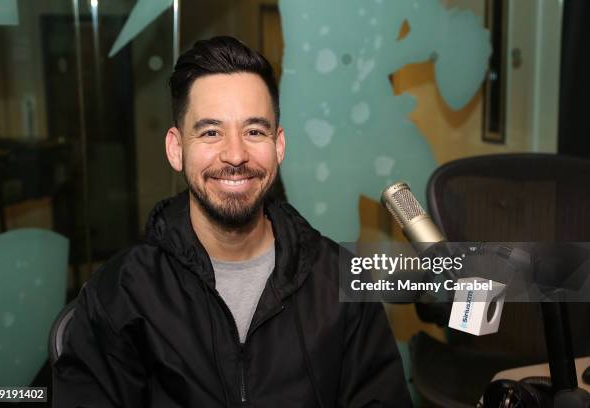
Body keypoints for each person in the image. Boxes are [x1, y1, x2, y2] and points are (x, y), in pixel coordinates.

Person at [53, 36, 412, 408]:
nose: (236, 154)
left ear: (279, 146)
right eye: (211, 132)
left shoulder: (342, 282)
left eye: (254, 131)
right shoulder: (122, 293)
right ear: (177, 149)